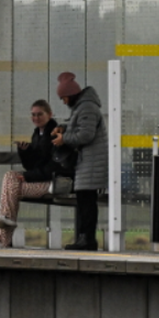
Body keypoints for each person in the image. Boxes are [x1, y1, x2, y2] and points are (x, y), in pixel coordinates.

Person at [0, 100, 71, 248]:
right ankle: (4, 225)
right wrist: (25, 152)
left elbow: (54, 166)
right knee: (10, 175)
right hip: (41, 179)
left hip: (54, 182)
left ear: (50, 114)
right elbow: (33, 164)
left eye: (40, 114)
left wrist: (29, 176)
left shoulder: (55, 134)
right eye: (33, 115)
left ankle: (1, 236)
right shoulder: (37, 134)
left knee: (12, 190)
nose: (36, 118)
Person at [52, 72, 108, 251]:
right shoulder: (83, 107)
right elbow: (79, 125)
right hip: (88, 161)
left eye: (64, 98)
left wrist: (64, 139)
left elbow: (85, 134)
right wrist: (64, 127)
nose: (64, 102)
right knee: (84, 200)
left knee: (87, 201)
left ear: (71, 95)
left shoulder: (87, 108)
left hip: (92, 162)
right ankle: (84, 238)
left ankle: (88, 239)